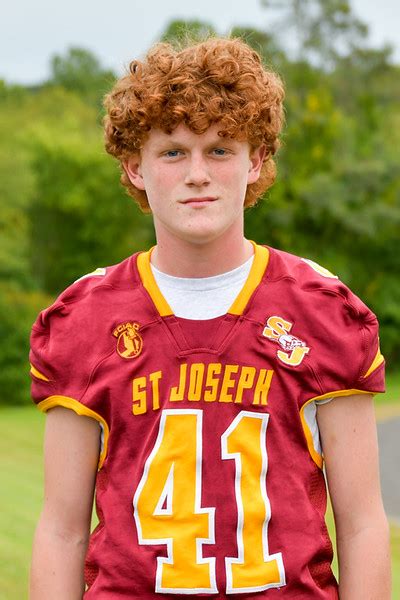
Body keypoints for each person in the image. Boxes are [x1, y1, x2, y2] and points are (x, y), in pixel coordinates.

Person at [29, 37, 391, 599]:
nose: (197, 173)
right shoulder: (89, 317)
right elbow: (61, 530)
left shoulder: (321, 312)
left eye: (220, 150)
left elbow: (364, 524)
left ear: (257, 161)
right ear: (135, 167)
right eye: (172, 152)